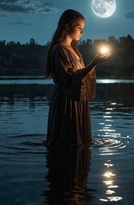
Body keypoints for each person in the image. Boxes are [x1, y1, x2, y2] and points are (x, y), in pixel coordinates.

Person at [45, 9, 110, 147]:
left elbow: (82, 76)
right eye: (79, 27)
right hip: (66, 101)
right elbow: (69, 79)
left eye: (83, 28)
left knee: (78, 141)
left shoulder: (74, 51)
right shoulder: (59, 50)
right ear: (67, 26)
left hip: (78, 99)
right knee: (65, 141)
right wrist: (95, 62)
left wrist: (94, 63)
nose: (82, 32)